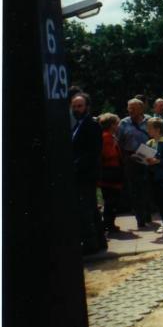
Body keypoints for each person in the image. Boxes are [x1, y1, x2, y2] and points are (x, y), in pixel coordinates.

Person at [70, 93, 106, 254]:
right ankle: (99, 241)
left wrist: (76, 164)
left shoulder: (91, 124)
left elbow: (93, 151)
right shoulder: (77, 125)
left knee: (86, 209)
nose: (76, 109)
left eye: (80, 106)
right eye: (74, 106)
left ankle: (92, 244)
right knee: (90, 207)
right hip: (81, 173)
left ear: (87, 107)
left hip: (86, 173)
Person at [117, 98, 152, 228]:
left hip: (148, 158)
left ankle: (148, 213)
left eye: (134, 108)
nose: (130, 110)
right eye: (129, 107)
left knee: (148, 187)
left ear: (141, 109)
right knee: (135, 189)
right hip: (131, 159)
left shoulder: (149, 121)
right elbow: (119, 142)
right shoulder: (124, 123)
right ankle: (140, 219)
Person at [97, 113, 124, 234]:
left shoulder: (108, 136)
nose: (118, 126)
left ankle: (109, 223)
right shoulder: (107, 137)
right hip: (110, 171)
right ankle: (108, 224)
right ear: (112, 125)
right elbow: (109, 154)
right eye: (116, 124)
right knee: (112, 200)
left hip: (110, 171)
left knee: (111, 200)